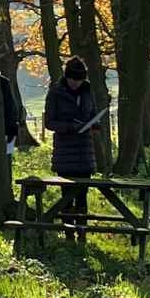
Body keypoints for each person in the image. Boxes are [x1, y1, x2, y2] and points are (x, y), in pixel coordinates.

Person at [44, 55, 101, 241]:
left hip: (85, 150)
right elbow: (49, 123)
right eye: (73, 79)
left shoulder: (87, 91)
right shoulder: (55, 93)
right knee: (67, 194)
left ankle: (82, 231)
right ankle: (69, 232)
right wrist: (70, 127)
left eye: (80, 79)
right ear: (67, 77)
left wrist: (95, 124)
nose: (76, 83)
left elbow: (92, 112)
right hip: (65, 150)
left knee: (83, 193)